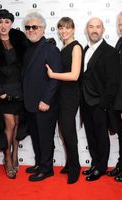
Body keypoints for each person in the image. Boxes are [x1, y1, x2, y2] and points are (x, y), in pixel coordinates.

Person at [0, 9, 29, 179]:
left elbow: (27, 62)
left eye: (7, 22)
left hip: (20, 88)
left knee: (17, 123)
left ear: (11, 23)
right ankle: (7, 158)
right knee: (9, 124)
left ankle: (15, 153)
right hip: (3, 90)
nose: (3, 25)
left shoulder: (19, 39)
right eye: (0, 22)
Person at [22, 12, 62, 182]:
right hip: (30, 103)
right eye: (28, 27)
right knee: (37, 137)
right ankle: (40, 163)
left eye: (35, 27)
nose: (31, 30)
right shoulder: (27, 48)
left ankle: (47, 169)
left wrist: (46, 100)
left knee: (45, 138)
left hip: (45, 104)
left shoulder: (50, 49)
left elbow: (56, 77)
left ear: (43, 29)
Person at [81, 17, 120, 181]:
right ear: (87, 30)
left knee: (101, 137)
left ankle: (102, 167)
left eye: (98, 27)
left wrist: (103, 104)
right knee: (90, 135)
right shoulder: (84, 49)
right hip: (85, 103)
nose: (94, 30)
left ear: (103, 30)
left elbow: (113, 82)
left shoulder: (110, 52)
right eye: (91, 27)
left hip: (100, 104)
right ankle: (95, 163)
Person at [46, 17, 82, 184]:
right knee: (63, 132)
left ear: (73, 29)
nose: (64, 31)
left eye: (67, 28)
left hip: (71, 95)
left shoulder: (76, 47)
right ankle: (70, 163)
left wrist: (53, 75)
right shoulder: (64, 47)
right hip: (61, 94)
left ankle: (75, 168)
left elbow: (74, 75)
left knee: (68, 132)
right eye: (61, 28)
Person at [107, 11, 122, 182]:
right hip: (117, 99)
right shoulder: (119, 41)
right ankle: (120, 164)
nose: (120, 27)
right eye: (119, 23)